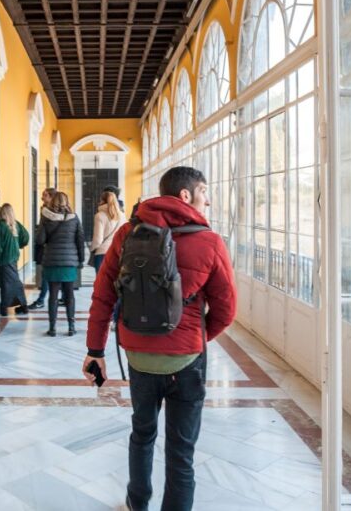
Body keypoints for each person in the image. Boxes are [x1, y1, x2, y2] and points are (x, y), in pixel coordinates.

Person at [82, 166, 237, 511]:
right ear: (186, 195)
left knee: (142, 434)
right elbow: (227, 309)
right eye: (204, 191)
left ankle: (137, 503)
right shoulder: (210, 241)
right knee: (181, 452)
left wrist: (95, 350)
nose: (208, 200)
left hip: (139, 358)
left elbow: (103, 297)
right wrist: (195, 339)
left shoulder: (125, 233)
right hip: (186, 363)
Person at [35, 191, 84, 336]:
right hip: (69, 262)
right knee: (69, 295)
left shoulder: (46, 217)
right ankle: (71, 326)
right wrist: (80, 260)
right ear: (66, 201)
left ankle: (52, 328)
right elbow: (80, 241)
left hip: (52, 261)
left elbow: (40, 240)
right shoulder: (74, 218)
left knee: (53, 295)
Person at [0, 204, 29, 316]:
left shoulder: (1, 225)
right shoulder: (16, 224)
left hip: (5, 259)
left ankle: (4, 308)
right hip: (14, 258)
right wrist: (18, 245)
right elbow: (26, 237)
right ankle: (23, 305)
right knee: (14, 282)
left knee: (7, 284)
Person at [28, 187, 56, 309]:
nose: (41, 197)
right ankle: (43, 298)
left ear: (51, 197)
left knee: (46, 274)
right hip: (50, 246)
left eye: (44, 195)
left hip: (49, 246)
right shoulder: (45, 209)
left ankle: (41, 299)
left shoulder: (48, 211)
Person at [89, 191, 126, 273]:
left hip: (102, 253)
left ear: (102, 201)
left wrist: (92, 248)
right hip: (118, 252)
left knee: (102, 282)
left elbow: (98, 239)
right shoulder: (122, 216)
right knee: (116, 281)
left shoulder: (99, 215)